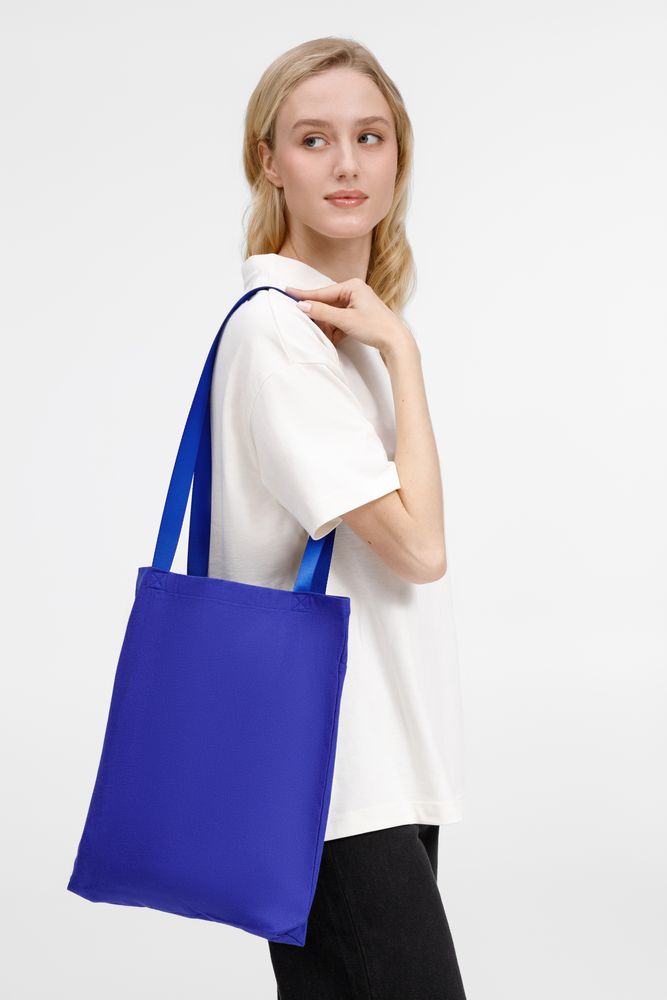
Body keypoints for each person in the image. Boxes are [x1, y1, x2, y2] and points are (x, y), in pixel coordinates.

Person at [209, 36, 467, 1000]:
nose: (347, 163)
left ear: (399, 156)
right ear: (268, 162)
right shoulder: (280, 333)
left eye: (370, 136)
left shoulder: (342, 334)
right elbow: (419, 549)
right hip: (332, 770)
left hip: (380, 757)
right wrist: (405, 354)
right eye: (313, 139)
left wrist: (388, 344)